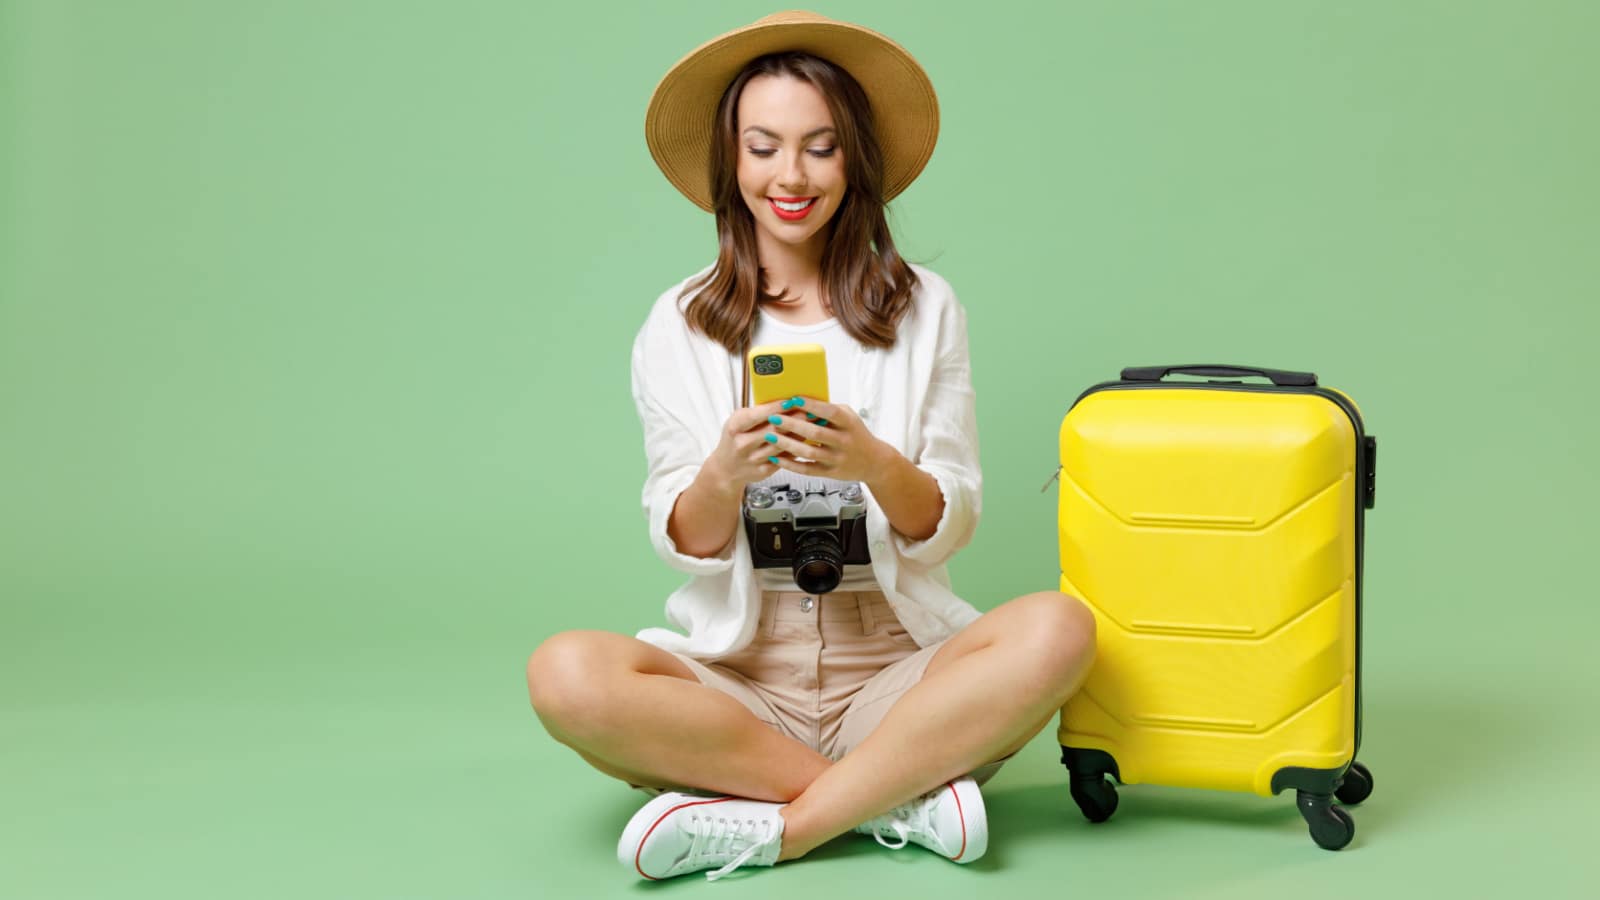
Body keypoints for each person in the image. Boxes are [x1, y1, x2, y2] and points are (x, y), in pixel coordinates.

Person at [526, 11, 1096, 882]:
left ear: (853, 161)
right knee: (564, 672)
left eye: (819, 148)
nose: (790, 176)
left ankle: (785, 827)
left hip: (898, 678)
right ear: (732, 163)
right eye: (763, 147)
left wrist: (873, 464)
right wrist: (723, 475)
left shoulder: (925, 307)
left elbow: (949, 517)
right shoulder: (679, 324)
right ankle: (895, 801)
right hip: (744, 681)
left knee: (1060, 629)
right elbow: (683, 536)